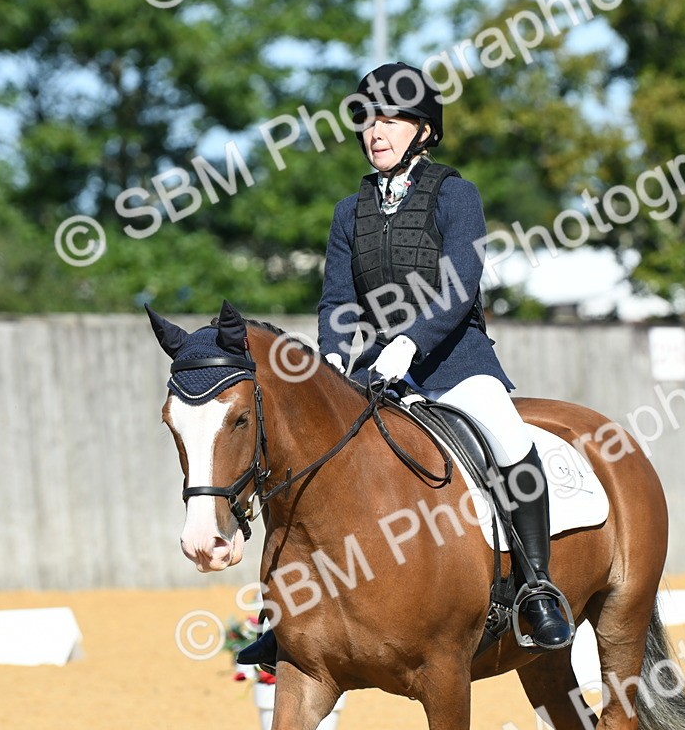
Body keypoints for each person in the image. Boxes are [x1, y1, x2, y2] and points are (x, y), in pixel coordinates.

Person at [237, 62, 572, 666]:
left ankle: (536, 587)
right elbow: (339, 298)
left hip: (455, 362)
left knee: (509, 440)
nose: (375, 131)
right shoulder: (350, 211)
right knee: (309, 455)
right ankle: (290, 614)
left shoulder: (454, 193)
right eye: (367, 120)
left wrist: (411, 342)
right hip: (371, 370)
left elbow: (460, 282)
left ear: (422, 128)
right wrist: (334, 359)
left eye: (390, 118)